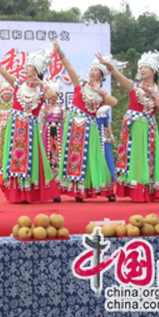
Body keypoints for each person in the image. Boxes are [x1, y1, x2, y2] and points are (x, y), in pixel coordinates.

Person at [0, 44, 61, 204]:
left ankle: (39, 191)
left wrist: (40, 82)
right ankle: (19, 193)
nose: (26, 68)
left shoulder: (41, 91)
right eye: (27, 66)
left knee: (34, 160)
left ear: (36, 70)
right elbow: (3, 71)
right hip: (15, 127)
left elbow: (53, 95)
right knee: (16, 159)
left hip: (31, 129)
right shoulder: (18, 84)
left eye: (30, 66)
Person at [107, 50, 159, 202]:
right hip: (134, 126)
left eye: (145, 67)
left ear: (154, 70)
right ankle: (138, 191)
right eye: (141, 67)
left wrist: (152, 92)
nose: (142, 70)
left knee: (156, 156)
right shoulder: (134, 86)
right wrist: (109, 66)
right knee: (135, 156)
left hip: (149, 127)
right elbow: (120, 77)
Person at [55, 44, 119, 202]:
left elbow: (114, 102)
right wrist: (60, 52)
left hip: (90, 126)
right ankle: (77, 190)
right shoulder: (80, 84)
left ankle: (104, 189)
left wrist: (99, 91)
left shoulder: (102, 94)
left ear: (102, 76)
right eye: (91, 69)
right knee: (74, 157)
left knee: (94, 157)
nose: (92, 72)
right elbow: (69, 67)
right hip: (74, 125)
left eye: (96, 70)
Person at [39, 83, 64, 176]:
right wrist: (40, 132)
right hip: (48, 129)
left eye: (56, 94)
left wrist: (66, 132)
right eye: (52, 95)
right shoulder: (44, 107)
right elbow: (42, 120)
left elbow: (64, 120)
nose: (54, 97)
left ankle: (58, 170)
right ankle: (48, 170)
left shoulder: (61, 107)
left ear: (58, 95)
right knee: (47, 149)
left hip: (58, 129)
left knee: (59, 149)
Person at [96, 105, 116, 181]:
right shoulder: (89, 108)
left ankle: (107, 176)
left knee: (106, 153)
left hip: (102, 134)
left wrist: (111, 136)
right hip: (92, 133)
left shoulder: (103, 109)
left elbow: (107, 124)